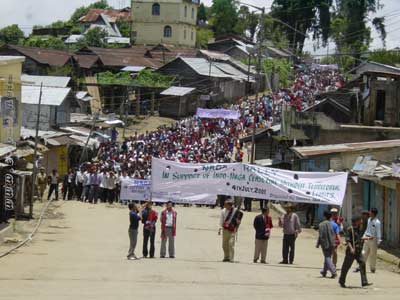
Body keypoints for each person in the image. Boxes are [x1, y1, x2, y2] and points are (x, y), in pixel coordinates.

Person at [339, 216, 372, 288]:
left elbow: (359, 238)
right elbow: (348, 240)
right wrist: (351, 249)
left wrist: (368, 238)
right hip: (351, 251)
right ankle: (341, 281)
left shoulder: (359, 229)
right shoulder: (350, 229)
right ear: (357, 221)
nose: (362, 221)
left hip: (358, 251)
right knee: (346, 266)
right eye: (360, 220)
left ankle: (364, 282)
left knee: (362, 263)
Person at [316, 211, 337, 278]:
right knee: (328, 257)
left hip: (325, 244)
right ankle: (324, 271)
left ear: (324, 216)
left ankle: (333, 271)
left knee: (327, 257)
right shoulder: (332, 224)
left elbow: (321, 236)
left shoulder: (321, 224)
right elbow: (333, 234)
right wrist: (334, 243)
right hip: (332, 243)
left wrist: (318, 243)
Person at [362, 208, 382, 273]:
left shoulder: (377, 222)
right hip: (367, 238)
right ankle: (361, 266)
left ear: (373, 213)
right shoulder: (369, 220)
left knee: (372, 254)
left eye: (370, 212)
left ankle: (372, 268)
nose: (369, 213)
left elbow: (378, 232)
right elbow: (367, 229)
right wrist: (364, 236)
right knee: (363, 252)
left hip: (373, 239)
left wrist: (378, 241)